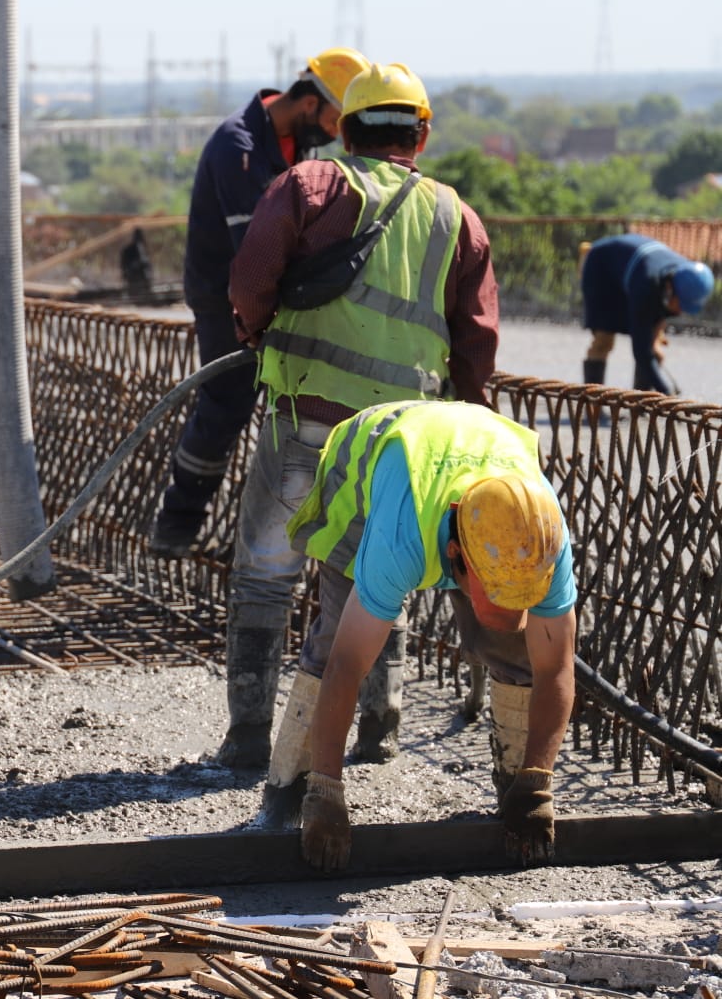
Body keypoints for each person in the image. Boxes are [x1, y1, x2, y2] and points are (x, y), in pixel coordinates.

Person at [220, 61, 501, 771]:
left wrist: (257, 332)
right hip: (397, 444)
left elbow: (250, 282)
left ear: (345, 128)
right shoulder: (456, 217)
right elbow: (475, 346)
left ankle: (251, 737)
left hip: (302, 419)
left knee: (265, 575)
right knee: (373, 580)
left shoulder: (310, 184)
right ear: (423, 134)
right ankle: (379, 729)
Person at [267, 399, 576, 873]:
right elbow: (348, 665)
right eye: (499, 592)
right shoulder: (400, 537)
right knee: (336, 637)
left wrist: (538, 781)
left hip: (474, 459)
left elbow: (555, 667)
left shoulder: (540, 539)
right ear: (455, 557)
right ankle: (290, 791)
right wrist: (328, 792)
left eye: (523, 596)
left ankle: (516, 793)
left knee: (515, 651)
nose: (517, 608)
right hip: (375, 457)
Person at [150, 48, 370, 558]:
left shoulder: (298, 147)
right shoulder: (239, 146)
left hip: (271, 293)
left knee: (287, 415)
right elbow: (256, 248)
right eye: (337, 119)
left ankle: (268, 539)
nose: (338, 134)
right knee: (225, 406)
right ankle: (176, 527)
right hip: (224, 296)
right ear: (311, 102)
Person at [580, 234, 714, 395]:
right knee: (603, 340)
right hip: (601, 269)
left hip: (632, 270)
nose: (680, 312)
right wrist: (666, 392)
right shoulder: (648, 286)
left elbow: (660, 319)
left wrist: (654, 342)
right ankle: (593, 404)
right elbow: (641, 350)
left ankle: (640, 405)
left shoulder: (682, 276)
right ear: (670, 289)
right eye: (680, 305)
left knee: (653, 346)